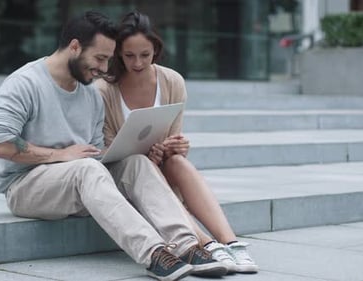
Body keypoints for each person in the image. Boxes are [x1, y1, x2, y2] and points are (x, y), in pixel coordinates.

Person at [0, 11, 228, 281]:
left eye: (108, 60)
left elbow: (98, 154)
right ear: (75, 47)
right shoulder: (24, 83)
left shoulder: (90, 92)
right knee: (86, 169)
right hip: (26, 187)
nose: (103, 69)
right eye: (100, 58)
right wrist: (60, 155)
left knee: (135, 163)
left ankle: (187, 245)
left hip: (79, 182)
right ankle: (154, 253)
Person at [95, 10, 258, 274]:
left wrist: (176, 146)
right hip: (127, 177)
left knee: (179, 162)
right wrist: (149, 157)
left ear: (156, 50)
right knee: (143, 166)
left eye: (145, 55)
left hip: (162, 167)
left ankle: (231, 242)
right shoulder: (104, 90)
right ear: (117, 54)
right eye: (129, 56)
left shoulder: (171, 81)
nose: (137, 63)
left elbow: (172, 135)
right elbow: (109, 152)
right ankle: (206, 244)